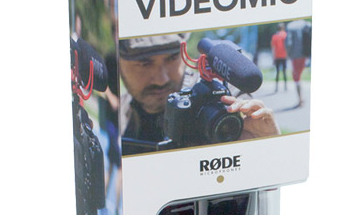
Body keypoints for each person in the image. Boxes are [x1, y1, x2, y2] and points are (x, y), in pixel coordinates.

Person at [118, 34, 279, 150]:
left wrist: (267, 148)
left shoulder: (228, 100)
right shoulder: (115, 113)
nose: (161, 79)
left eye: (172, 58)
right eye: (144, 63)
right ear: (119, 64)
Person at [285, 18, 311, 107]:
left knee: (297, 78)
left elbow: (289, 43)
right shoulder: (307, 24)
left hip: (296, 56)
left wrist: (288, 54)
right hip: (306, 54)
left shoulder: (290, 26)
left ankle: (300, 99)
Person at [270, 23, 288, 90]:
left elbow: (273, 48)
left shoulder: (275, 36)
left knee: (277, 72)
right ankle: (285, 87)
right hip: (284, 56)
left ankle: (276, 87)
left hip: (277, 56)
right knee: (284, 71)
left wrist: (273, 58)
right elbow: (288, 46)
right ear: (283, 28)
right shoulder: (286, 35)